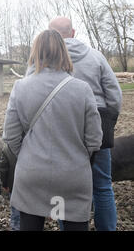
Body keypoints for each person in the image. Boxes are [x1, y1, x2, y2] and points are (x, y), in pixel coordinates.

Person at [3, 30, 103, 231]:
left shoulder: (20, 87)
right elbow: (94, 140)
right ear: (63, 53)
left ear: (35, 53)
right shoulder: (83, 89)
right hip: (73, 176)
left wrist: (28, 156)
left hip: (31, 175)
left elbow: (10, 136)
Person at [48, 17, 123, 231]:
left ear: (50, 34)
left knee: (63, 186)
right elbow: (115, 96)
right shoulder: (96, 56)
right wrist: (109, 122)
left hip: (61, 127)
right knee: (102, 186)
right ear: (73, 32)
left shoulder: (45, 59)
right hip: (98, 123)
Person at [0, 143, 19, 231]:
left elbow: (3, 169)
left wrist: (4, 184)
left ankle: (15, 227)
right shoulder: (33, 144)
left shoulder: (7, 148)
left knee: (15, 210)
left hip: (13, 185)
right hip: (30, 185)